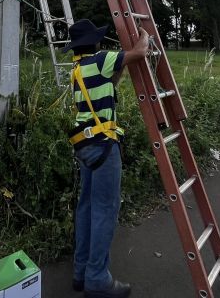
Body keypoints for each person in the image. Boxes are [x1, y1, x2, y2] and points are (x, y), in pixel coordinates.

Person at [64, 19, 149, 298]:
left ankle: (81, 272)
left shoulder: (78, 69)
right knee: (104, 210)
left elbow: (111, 81)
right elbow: (139, 53)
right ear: (94, 43)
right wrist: (145, 34)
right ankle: (97, 279)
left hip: (84, 145)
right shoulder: (101, 59)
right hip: (103, 145)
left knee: (87, 207)